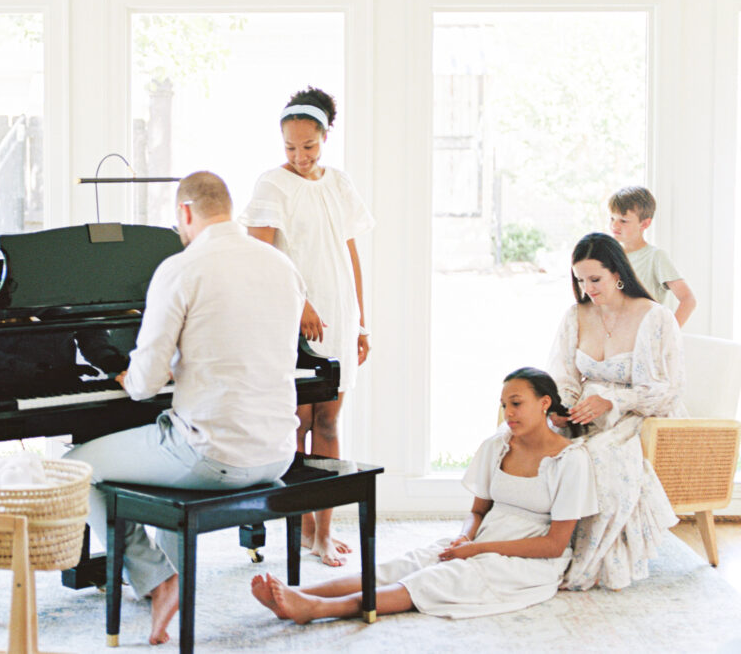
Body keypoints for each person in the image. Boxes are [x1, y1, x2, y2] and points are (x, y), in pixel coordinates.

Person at [63, 171, 305, 646]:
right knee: (167, 443)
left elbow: (143, 385)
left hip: (214, 457)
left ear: (185, 213)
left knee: (74, 468)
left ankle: (157, 579)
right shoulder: (281, 265)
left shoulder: (181, 268)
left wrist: (133, 373)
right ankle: (165, 571)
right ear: (228, 209)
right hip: (278, 450)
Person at [251, 368, 598, 623]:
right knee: (407, 564)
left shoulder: (570, 461)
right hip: (483, 537)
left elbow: (554, 545)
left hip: (529, 559)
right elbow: (478, 512)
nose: (508, 413)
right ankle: (303, 594)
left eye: (517, 403)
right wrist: (465, 536)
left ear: (545, 403)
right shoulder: (498, 445)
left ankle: (317, 609)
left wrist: (477, 549)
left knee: (435, 579)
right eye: (504, 404)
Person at [238, 86, 374, 567]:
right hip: (291, 319)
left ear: (325, 137)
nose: (298, 156)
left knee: (331, 421)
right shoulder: (271, 184)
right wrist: (301, 305)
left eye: (308, 147)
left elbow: (350, 252)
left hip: (339, 315)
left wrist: (361, 321)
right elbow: (263, 254)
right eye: (290, 147)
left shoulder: (339, 183)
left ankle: (323, 533)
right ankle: (297, 535)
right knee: (297, 423)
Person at [548, 231, 686, 591]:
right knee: (533, 444)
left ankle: (580, 559)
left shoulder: (655, 317)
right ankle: (530, 547)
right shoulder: (576, 315)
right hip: (583, 412)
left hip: (636, 415)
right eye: (580, 280)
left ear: (618, 273)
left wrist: (613, 402)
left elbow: (667, 389)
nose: (588, 288)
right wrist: (561, 407)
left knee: (596, 457)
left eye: (596, 279)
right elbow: (564, 374)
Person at [608, 185, 696, 327]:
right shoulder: (609, 256)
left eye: (623, 221)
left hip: (644, 338)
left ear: (645, 223)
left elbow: (688, 299)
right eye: (612, 218)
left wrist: (667, 333)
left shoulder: (655, 257)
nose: (615, 226)